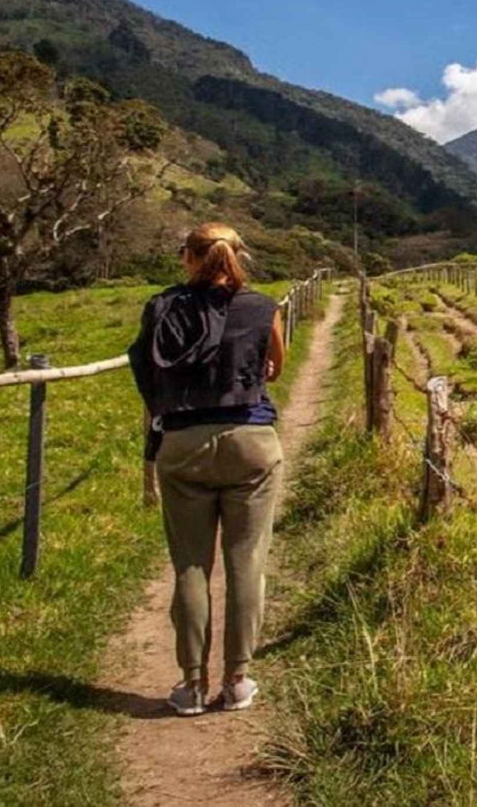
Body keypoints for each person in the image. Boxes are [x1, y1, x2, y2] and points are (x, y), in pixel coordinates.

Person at [128, 223, 286, 717]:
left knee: (191, 566)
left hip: (182, 444)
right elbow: (274, 367)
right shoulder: (263, 307)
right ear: (238, 257)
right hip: (251, 442)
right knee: (246, 563)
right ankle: (237, 679)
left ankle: (191, 685)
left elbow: (148, 371)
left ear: (188, 259)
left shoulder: (162, 308)